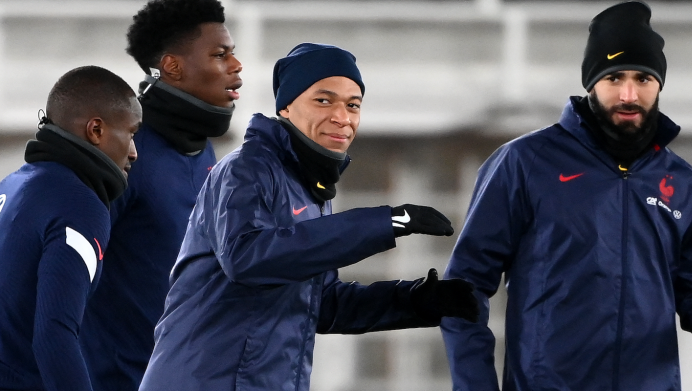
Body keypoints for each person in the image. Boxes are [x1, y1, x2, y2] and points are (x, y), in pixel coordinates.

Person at [138, 42, 479, 391]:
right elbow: (247, 257)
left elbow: (321, 304)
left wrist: (415, 301)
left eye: (353, 105)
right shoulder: (246, 168)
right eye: (323, 100)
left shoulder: (308, 189)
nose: (341, 117)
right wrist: (388, 222)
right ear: (286, 107)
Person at [441, 2, 692, 390]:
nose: (629, 94)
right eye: (615, 77)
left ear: (659, 85)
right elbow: (463, 288)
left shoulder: (681, 183)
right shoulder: (525, 163)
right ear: (591, 83)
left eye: (643, 79)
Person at [79, 1, 242, 390]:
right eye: (221, 55)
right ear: (172, 67)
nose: (237, 66)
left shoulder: (202, 150)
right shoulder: (121, 154)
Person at [0, 66, 140, 391]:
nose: (134, 152)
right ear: (96, 130)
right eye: (132, 133)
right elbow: (54, 333)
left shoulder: (13, 184)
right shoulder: (80, 205)